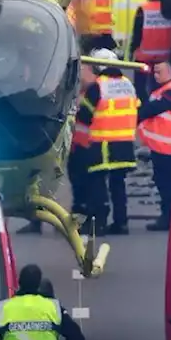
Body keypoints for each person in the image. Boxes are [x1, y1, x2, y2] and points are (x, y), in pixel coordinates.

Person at [74, 48, 139, 235]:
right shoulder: (128, 84)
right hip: (125, 144)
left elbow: (85, 115)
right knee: (118, 185)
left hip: (102, 145)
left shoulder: (98, 86)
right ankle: (121, 222)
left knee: (98, 185)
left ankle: (99, 223)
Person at [138, 61, 171, 231]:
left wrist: (137, 114)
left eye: (159, 72)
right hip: (160, 145)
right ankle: (168, 218)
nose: (156, 76)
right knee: (162, 182)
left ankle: (169, 219)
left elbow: (153, 109)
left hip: (165, 145)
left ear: (169, 72)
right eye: (154, 72)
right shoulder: (163, 90)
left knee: (165, 184)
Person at [130, 0, 171, 99]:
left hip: (144, 57)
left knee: (140, 87)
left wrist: (132, 50)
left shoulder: (144, 9)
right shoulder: (169, 8)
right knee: (158, 86)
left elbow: (137, 33)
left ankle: (143, 108)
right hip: (163, 57)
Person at [68, 64, 99, 222]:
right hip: (76, 145)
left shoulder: (94, 91)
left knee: (86, 184)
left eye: (83, 71)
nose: (80, 74)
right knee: (77, 183)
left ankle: (86, 216)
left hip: (88, 145)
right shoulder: (82, 90)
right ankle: (78, 215)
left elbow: (85, 115)